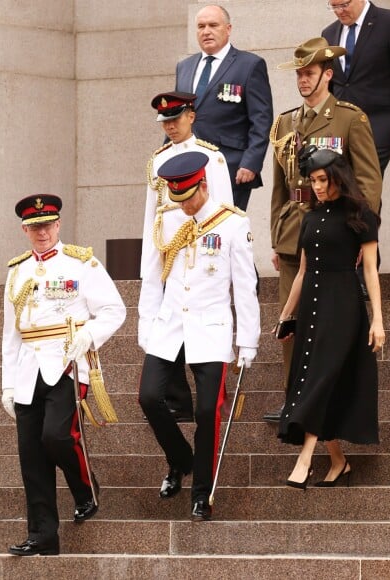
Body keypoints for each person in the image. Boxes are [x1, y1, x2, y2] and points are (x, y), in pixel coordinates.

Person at [264, 37, 382, 422]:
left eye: (309, 73)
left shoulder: (350, 118)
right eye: (298, 74)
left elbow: (367, 182)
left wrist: (362, 235)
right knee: (289, 318)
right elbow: (280, 186)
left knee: (328, 323)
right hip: (293, 229)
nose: (302, 80)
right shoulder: (284, 122)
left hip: (335, 233)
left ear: (327, 75)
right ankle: (291, 398)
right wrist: (276, 235)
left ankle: (326, 399)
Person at [138, 151, 260, 521]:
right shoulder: (167, 220)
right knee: (148, 398)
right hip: (170, 325)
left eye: (188, 197)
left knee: (208, 411)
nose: (184, 205)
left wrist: (248, 340)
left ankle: (201, 491)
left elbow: (245, 285)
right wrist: (147, 325)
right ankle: (180, 460)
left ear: (203, 185)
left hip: (211, 329)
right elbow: (152, 276)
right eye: (177, 198)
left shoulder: (232, 224)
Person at [2, 195, 126, 556]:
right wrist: (7, 384)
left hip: (67, 363)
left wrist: (89, 334)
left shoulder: (82, 263)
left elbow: (114, 309)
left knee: (56, 436)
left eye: (47, 225)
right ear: (24, 229)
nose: (41, 232)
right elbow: (12, 334)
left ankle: (85, 488)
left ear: (58, 225)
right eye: (34, 226)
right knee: (31, 454)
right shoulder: (17, 270)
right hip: (28, 369)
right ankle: (43, 536)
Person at [276, 146, 384, 489]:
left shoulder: (361, 214)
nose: (318, 186)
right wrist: (285, 315)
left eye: (323, 179)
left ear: (338, 176)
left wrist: (378, 319)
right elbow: (302, 272)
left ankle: (305, 459)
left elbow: (370, 270)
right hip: (312, 306)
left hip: (344, 306)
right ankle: (338, 461)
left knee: (321, 377)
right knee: (314, 377)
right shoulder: (309, 217)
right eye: (313, 180)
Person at [141, 91, 234, 422]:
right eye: (165, 121)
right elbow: (152, 219)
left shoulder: (212, 158)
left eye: (175, 119)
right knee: (169, 329)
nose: (170, 126)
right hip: (169, 256)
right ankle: (178, 399)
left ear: (191, 117)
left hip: (205, 259)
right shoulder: (157, 160)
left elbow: (225, 214)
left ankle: (210, 395)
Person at [175, 4, 273, 210]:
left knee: (223, 234)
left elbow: (261, 120)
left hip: (231, 167)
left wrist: (251, 162)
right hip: (188, 168)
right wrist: (166, 157)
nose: (206, 31)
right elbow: (176, 117)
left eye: (213, 25)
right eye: (201, 26)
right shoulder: (184, 67)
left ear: (228, 29)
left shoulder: (249, 65)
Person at [322, 0, 390, 176]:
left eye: (344, 5)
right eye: (333, 6)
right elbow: (331, 83)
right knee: (337, 186)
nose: (339, 11)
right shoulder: (329, 33)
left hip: (379, 123)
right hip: (339, 126)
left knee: (364, 185)